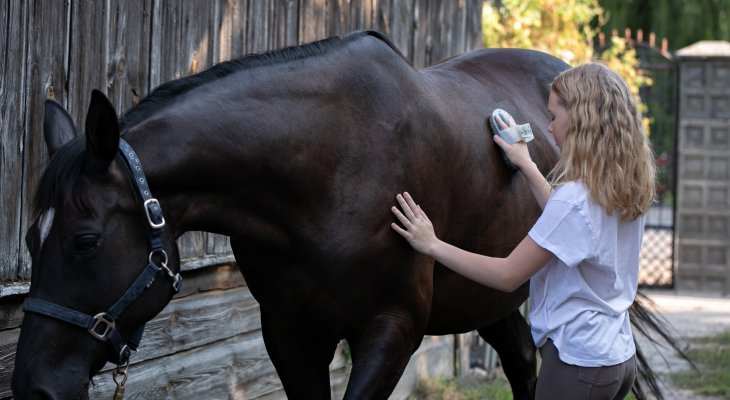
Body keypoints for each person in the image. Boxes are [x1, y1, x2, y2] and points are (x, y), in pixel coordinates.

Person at [390, 63, 655, 400]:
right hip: (615, 357)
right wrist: (526, 164)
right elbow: (572, 226)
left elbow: (507, 276)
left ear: (580, 121)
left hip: (577, 366)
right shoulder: (623, 187)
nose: (549, 126)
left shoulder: (576, 199)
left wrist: (432, 244)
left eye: (554, 116)